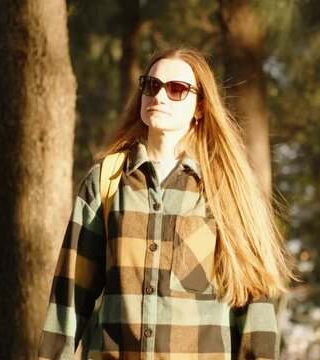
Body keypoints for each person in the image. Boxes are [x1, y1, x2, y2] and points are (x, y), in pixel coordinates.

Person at [38, 47, 296, 359]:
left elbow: (253, 299)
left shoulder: (226, 189)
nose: (160, 95)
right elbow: (70, 296)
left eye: (177, 90)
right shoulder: (106, 180)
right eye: (151, 85)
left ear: (199, 107)